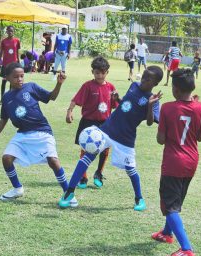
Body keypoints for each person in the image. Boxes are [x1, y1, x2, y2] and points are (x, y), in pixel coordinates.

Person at [58, 66, 164, 210]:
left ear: (155, 84)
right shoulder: (134, 85)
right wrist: (118, 99)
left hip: (126, 137)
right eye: (144, 76)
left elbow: (151, 122)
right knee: (88, 156)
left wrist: (150, 105)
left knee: (130, 169)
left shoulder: (153, 100)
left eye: (148, 79)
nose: (144, 80)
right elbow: (126, 106)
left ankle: (139, 199)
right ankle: (69, 192)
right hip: (108, 128)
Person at [0, 62, 69, 201]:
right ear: (8, 78)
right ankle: (17, 189)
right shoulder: (6, 98)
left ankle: (68, 192)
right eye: (16, 77)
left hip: (42, 131)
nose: (20, 79)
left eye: (22, 76)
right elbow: (3, 120)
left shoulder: (31, 87)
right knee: (7, 158)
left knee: (53, 161)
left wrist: (59, 84)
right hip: (23, 134)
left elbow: (51, 97)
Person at [151, 68, 201, 256]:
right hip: (191, 161)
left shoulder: (167, 108)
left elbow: (161, 139)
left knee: (169, 206)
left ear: (175, 89)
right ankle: (167, 233)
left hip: (173, 162)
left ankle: (186, 249)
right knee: (175, 200)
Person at [65, 56, 119, 189]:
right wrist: (69, 111)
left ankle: (99, 173)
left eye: (102, 72)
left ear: (107, 72)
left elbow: (116, 105)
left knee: (105, 149)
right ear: (92, 72)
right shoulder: (87, 86)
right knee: (86, 149)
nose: (99, 75)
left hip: (105, 123)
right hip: (88, 122)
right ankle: (83, 177)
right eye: (97, 72)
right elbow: (75, 100)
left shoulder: (111, 87)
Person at [0, 26, 21, 102]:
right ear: (7, 31)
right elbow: (1, 52)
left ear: (13, 31)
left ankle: (10, 98)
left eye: (11, 31)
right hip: (5, 64)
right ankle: (2, 98)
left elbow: (17, 52)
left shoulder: (17, 41)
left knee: (12, 82)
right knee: (4, 81)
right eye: (9, 31)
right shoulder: (3, 41)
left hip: (13, 65)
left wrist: (19, 61)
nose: (10, 32)